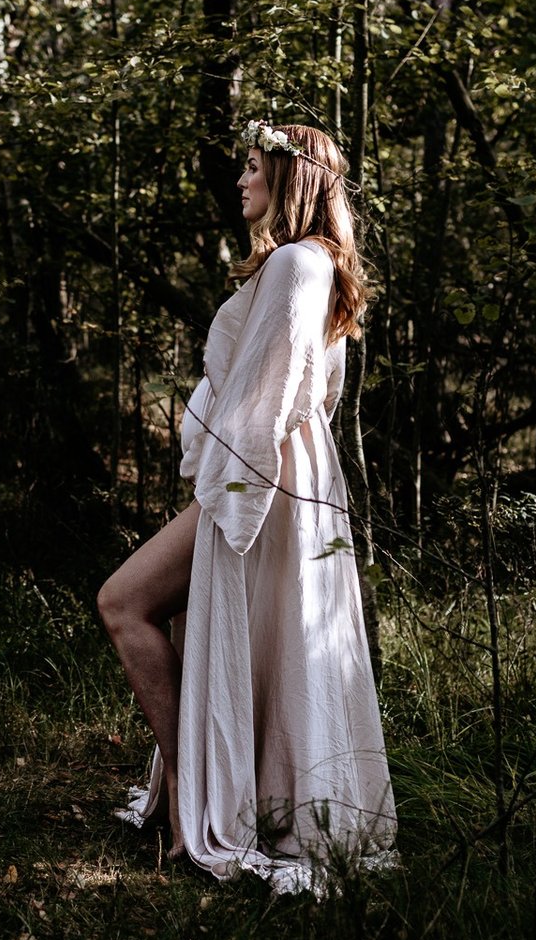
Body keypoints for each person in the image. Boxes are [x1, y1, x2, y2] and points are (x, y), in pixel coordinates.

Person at [96, 120, 397, 895]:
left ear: (291, 180)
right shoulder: (297, 264)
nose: (240, 179)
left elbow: (269, 394)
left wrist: (231, 500)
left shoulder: (301, 263)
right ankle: (201, 793)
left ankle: (192, 806)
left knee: (123, 600)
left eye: (255, 167)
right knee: (214, 631)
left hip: (262, 479)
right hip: (269, 475)